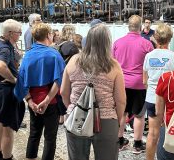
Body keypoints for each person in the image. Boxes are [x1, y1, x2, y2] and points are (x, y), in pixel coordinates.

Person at [61, 24, 126, 160]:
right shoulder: (113, 66)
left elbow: (63, 92)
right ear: (107, 42)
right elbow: (120, 100)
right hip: (106, 119)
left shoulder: (73, 61)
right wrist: (117, 120)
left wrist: (73, 109)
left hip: (77, 118)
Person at [14, 23, 66, 160]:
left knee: (34, 133)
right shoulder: (54, 55)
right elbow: (59, 81)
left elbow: (21, 81)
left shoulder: (28, 55)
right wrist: (47, 100)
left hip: (33, 101)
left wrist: (30, 101)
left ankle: (30, 158)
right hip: (51, 101)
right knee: (50, 137)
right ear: (48, 35)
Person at [113, 15, 154, 154]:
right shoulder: (146, 44)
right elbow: (151, 66)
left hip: (121, 83)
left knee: (122, 112)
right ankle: (137, 144)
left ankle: (119, 142)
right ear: (141, 26)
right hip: (139, 84)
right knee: (139, 115)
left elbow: (113, 64)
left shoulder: (118, 43)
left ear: (128, 26)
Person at [143, 23, 174, 160]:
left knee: (152, 134)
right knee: (168, 134)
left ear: (155, 37)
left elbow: (144, 80)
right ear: (170, 38)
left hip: (152, 98)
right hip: (169, 100)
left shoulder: (148, 56)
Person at [0, 19, 25, 160]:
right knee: (8, 129)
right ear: (10, 33)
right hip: (5, 92)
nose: (20, 35)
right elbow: (0, 66)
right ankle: (7, 157)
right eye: (18, 33)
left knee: (0, 125)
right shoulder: (4, 48)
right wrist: (13, 79)